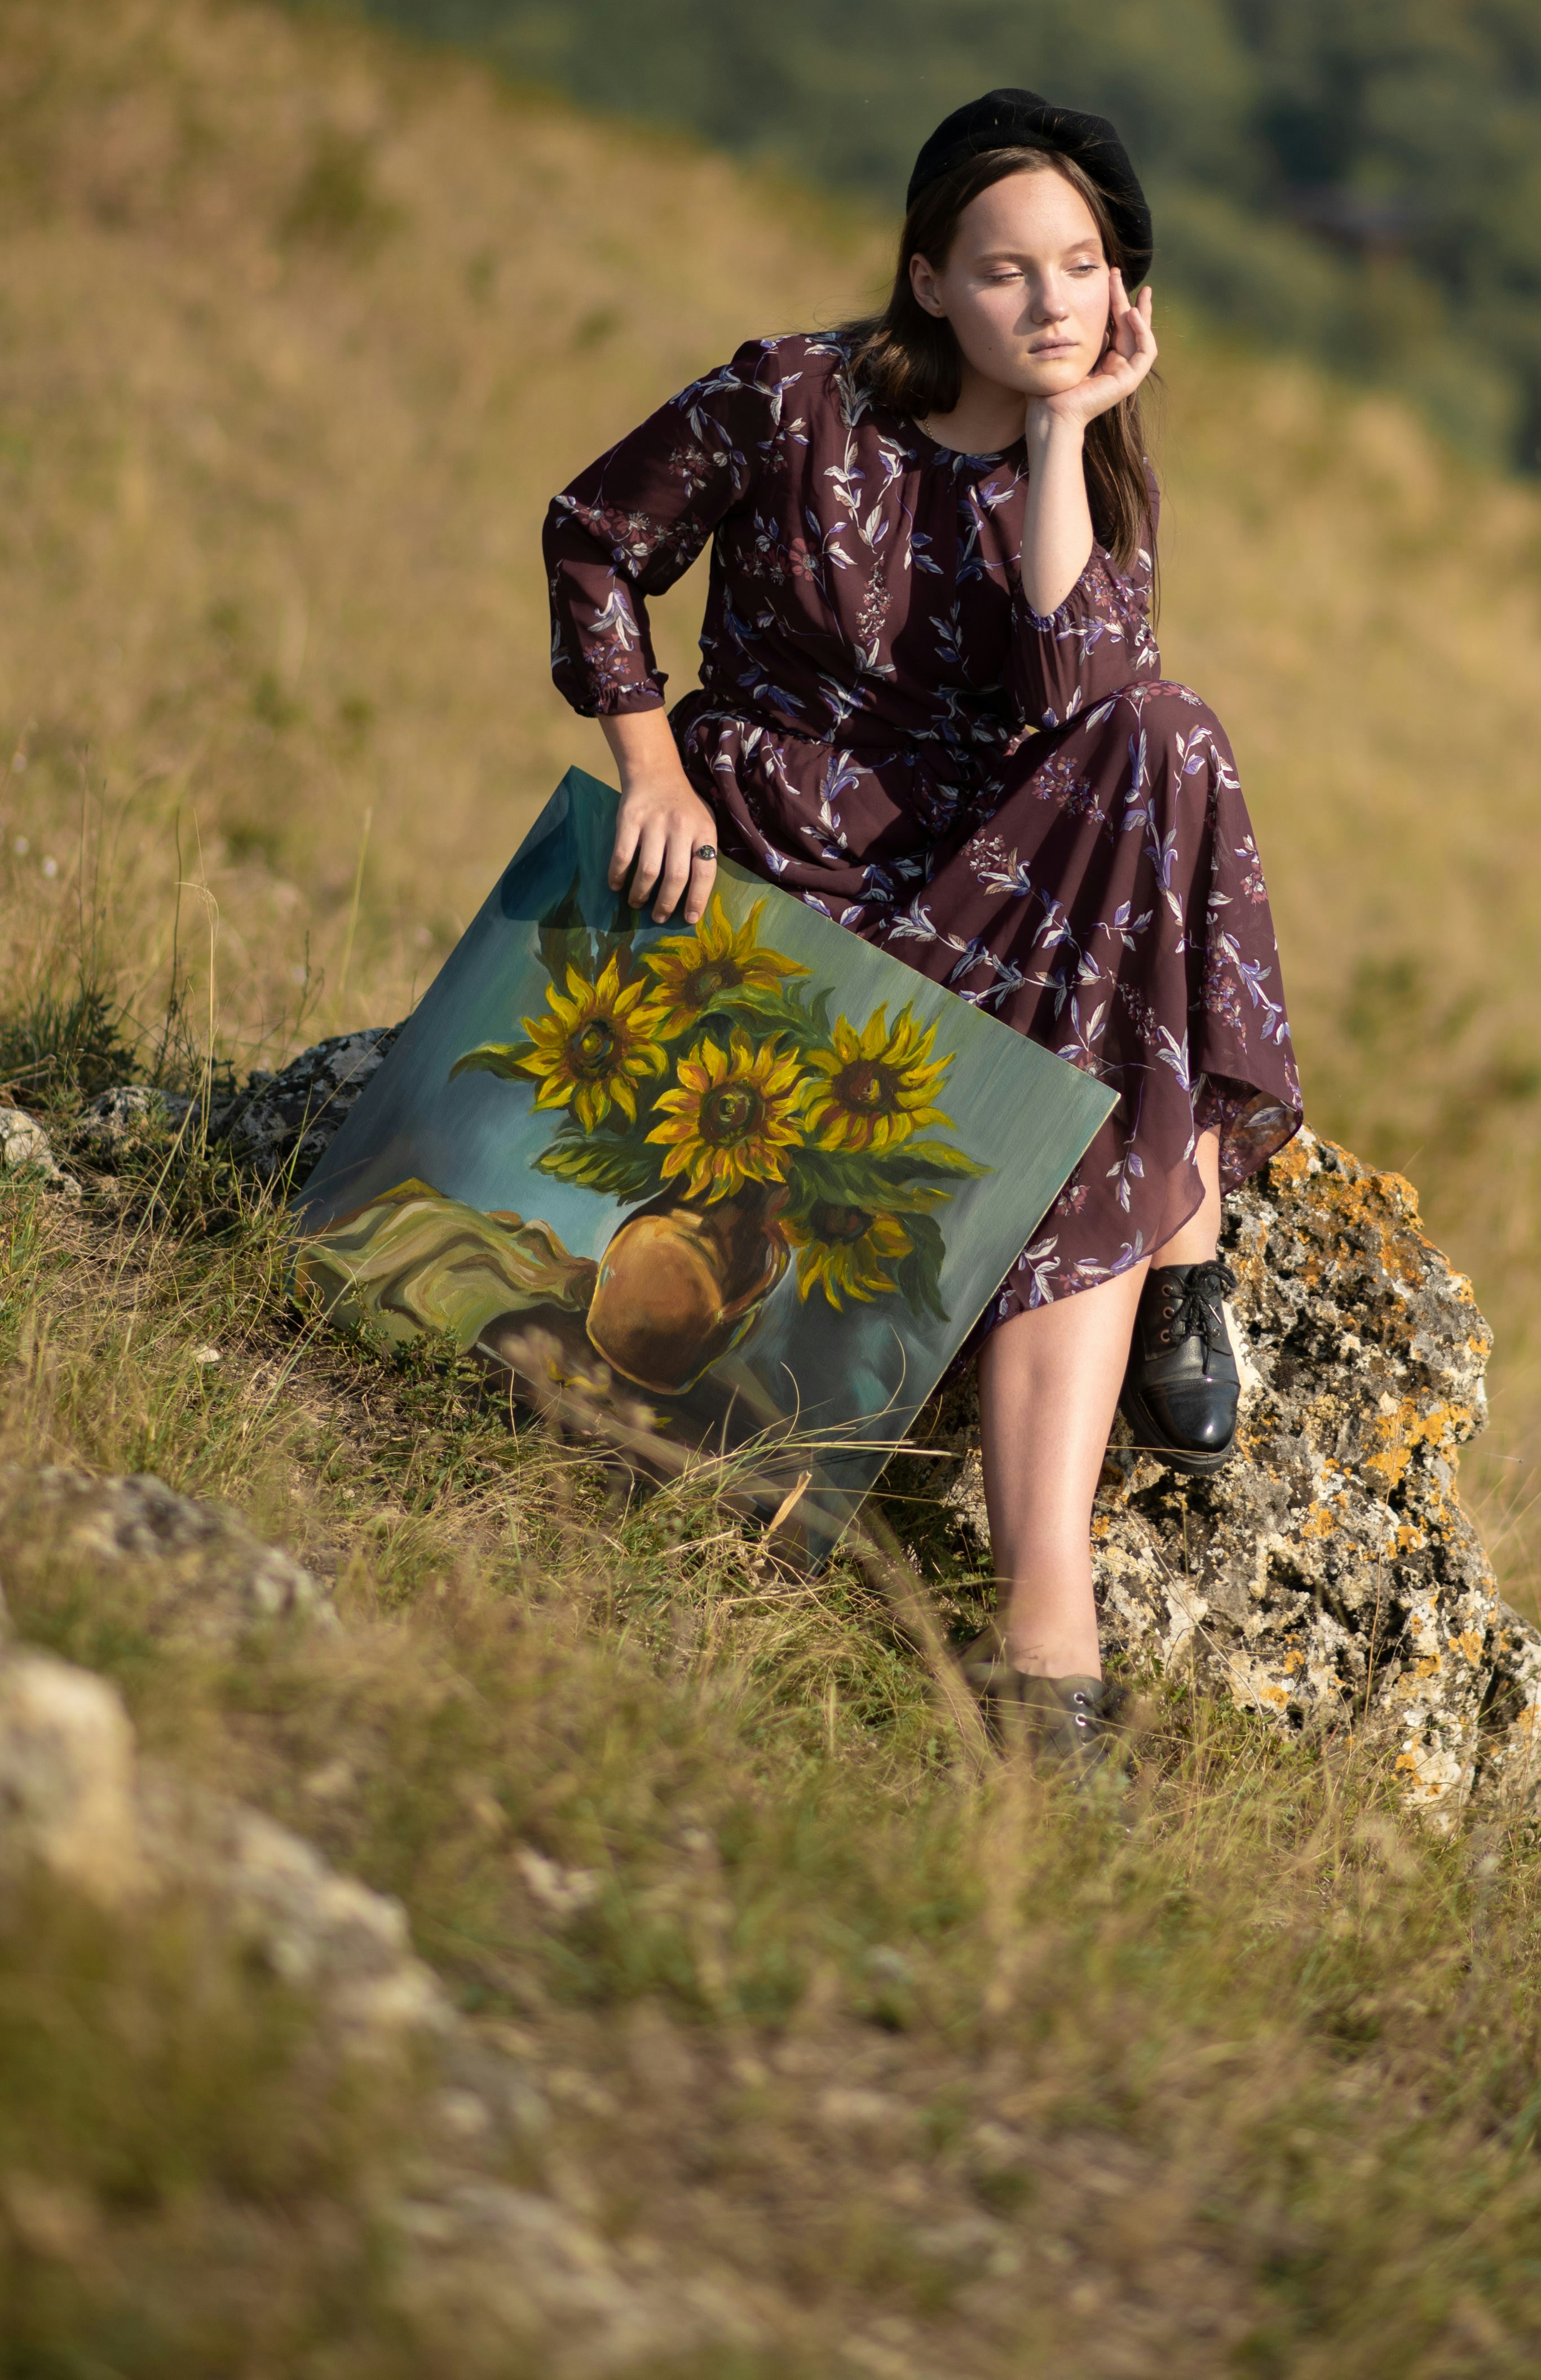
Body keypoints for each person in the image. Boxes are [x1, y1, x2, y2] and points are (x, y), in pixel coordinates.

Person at [543, 89, 1300, 1762]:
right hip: (796, 889)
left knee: (1166, 733)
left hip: (987, 888)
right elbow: (596, 540)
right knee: (1119, 980)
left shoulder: (1090, 472)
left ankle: (1047, 1621)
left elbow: (1086, 700)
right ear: (928, 278)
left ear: (1128, 291)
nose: (1052, 305)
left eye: (1086, 269)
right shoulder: (788, 397)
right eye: (1009, 270)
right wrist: (649, 761)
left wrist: (1055, 441)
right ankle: (1180, 1236)